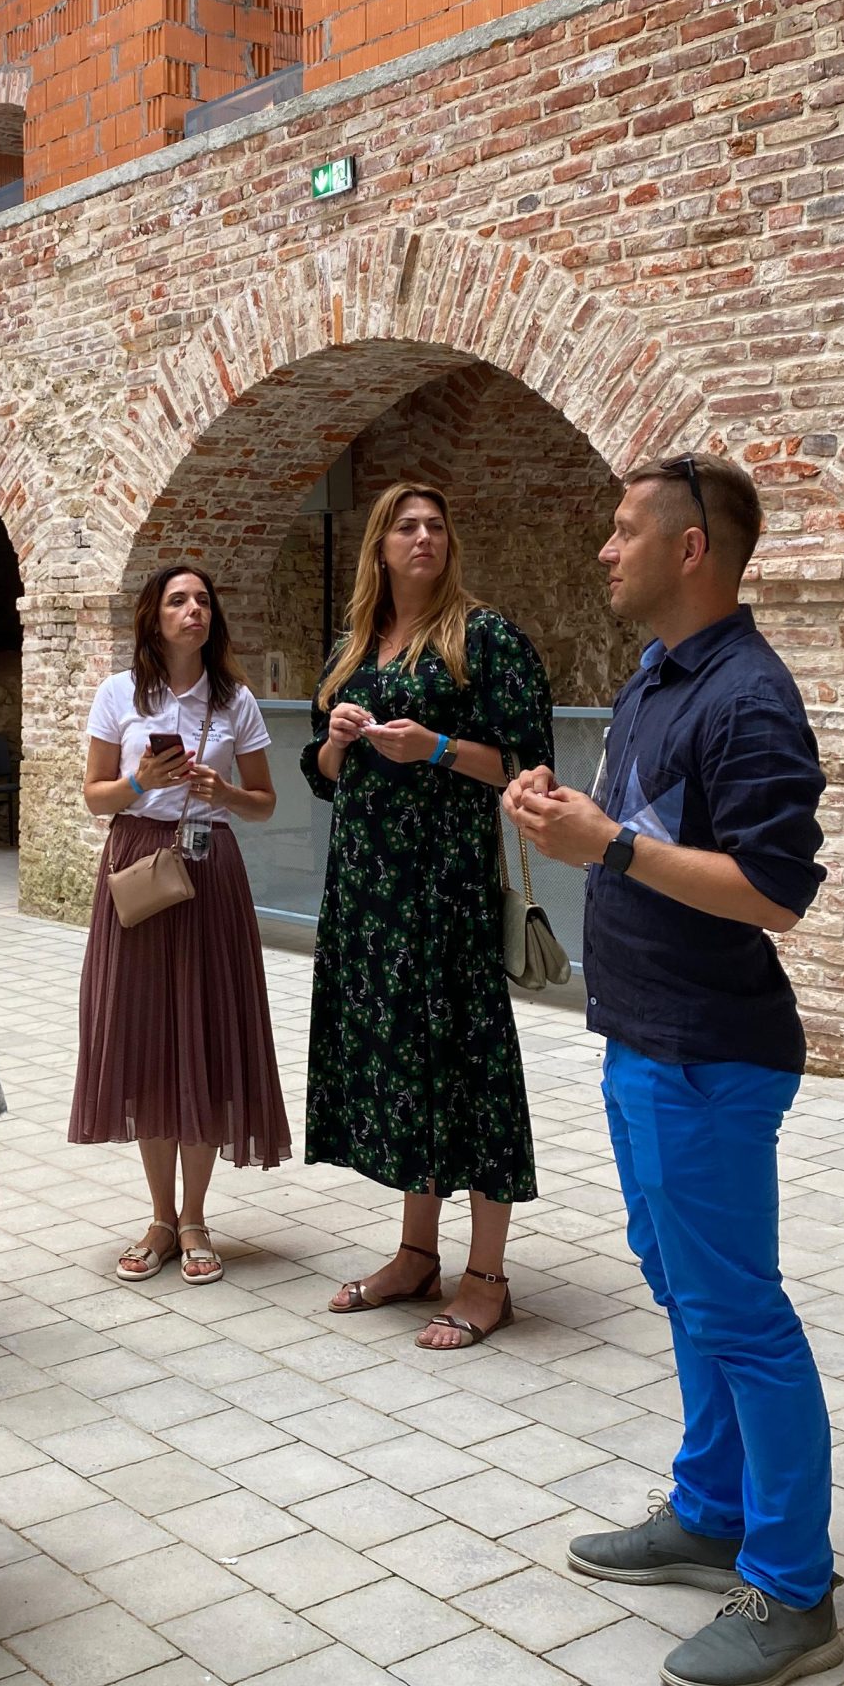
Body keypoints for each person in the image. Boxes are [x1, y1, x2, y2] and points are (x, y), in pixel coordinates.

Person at [505, 453, 834, 1686]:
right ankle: (711, 1511)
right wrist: (570, 817)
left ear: (691, 548)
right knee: (684, 1286)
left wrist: (613, 846)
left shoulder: (751, 697)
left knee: (740, 1312)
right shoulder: (657, 673)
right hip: (641, 1037)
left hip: (712, 1053)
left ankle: (793, 1586)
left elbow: (775, 893)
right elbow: (637, 830)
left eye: (625, 528)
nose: (605, 547)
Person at [305, 481, 554, 1351]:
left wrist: (436, 747)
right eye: (406, 527)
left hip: (446, 895)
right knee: (411, 1069)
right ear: (379, 546)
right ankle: (417, 1256)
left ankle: (488, 1278)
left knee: (469, 1069)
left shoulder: (483, 638)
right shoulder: (352, 646)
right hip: (367, 899)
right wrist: (338, 741)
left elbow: (528, 765)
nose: (423, 538)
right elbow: (321, 777)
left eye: (436, 526)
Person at [73, 564, 287, 1282]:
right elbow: (95, 797)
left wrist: (220, 790)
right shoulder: (119, 693)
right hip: (138, 865)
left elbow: (265, 802)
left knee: (204, 1034)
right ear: (154, 617)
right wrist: (143, 781)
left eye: (202, 599)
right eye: (177, 600)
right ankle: (161, 1217)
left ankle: (194, 1217)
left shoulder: (236, 700)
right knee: (147, 1038)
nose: (193, 609)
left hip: (209, 867)